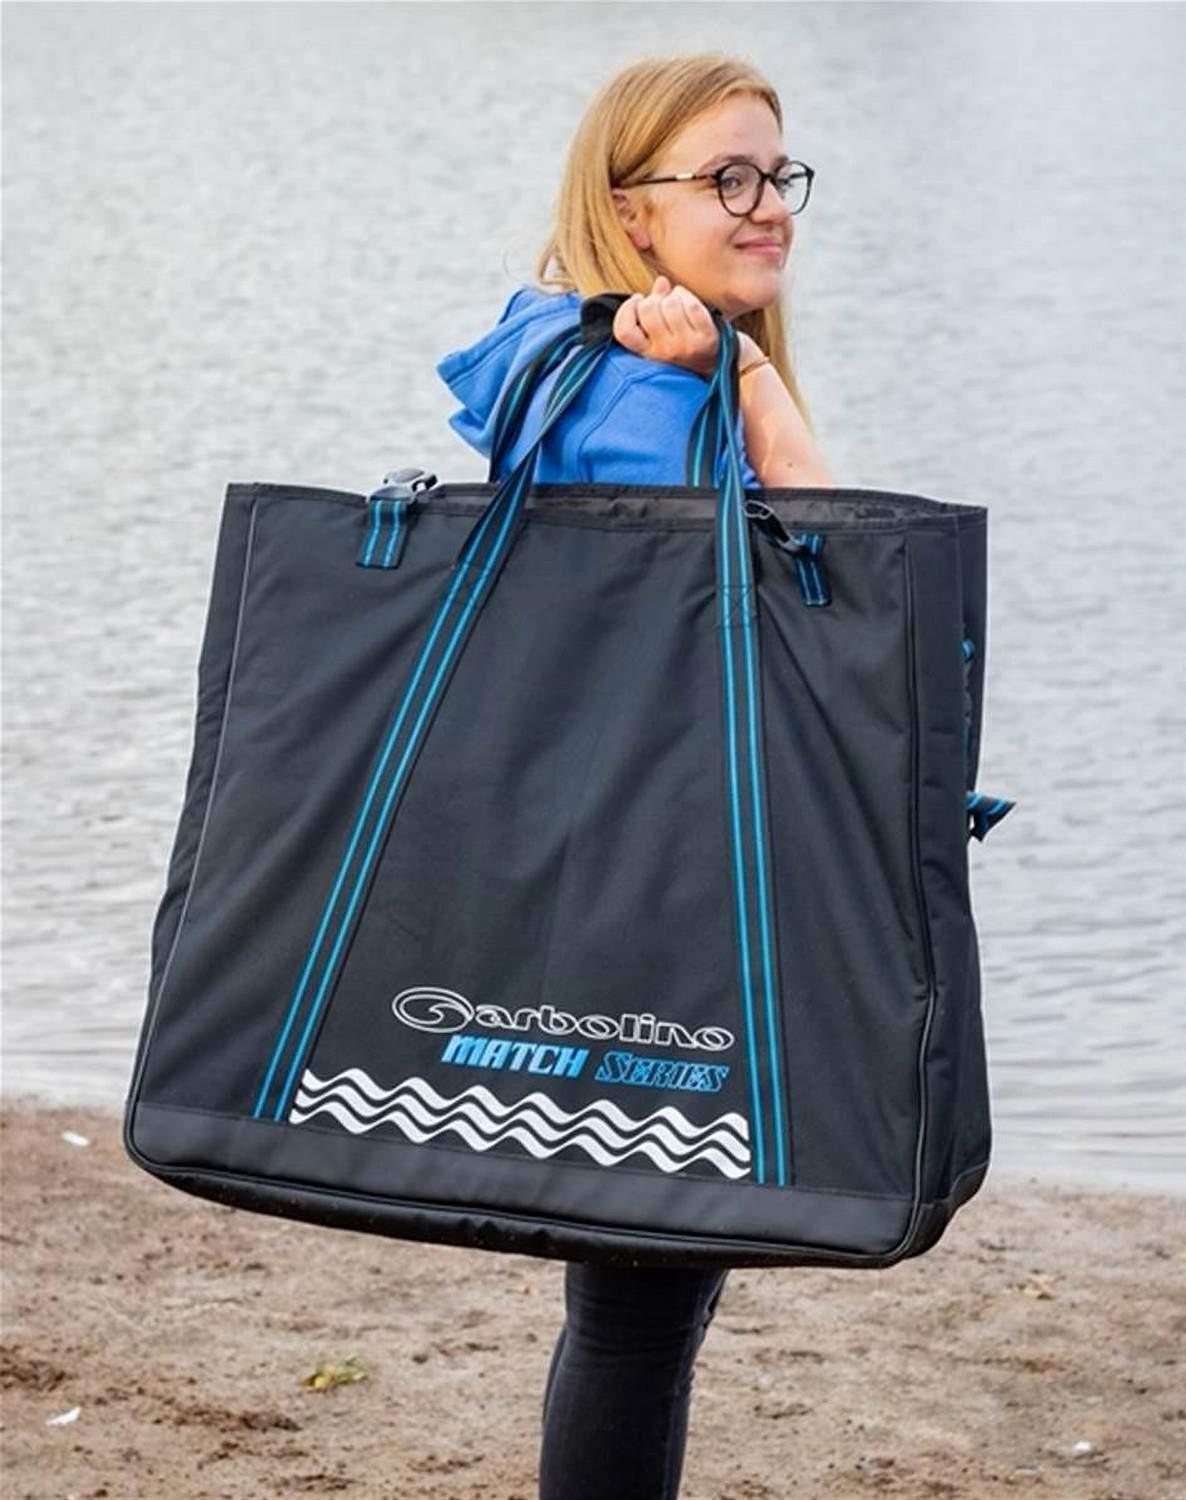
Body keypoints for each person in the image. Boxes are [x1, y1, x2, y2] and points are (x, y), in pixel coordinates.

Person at [434, 52, 830, 1500]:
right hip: (658, 891)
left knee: (637, 1303)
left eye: (778, 173)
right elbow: (837, 601)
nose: (765, 203)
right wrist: (757, 392)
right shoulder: (639, 393)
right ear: (628, 210)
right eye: (725, 177)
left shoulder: (611, 366)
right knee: (641, 1306)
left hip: (615, 867)